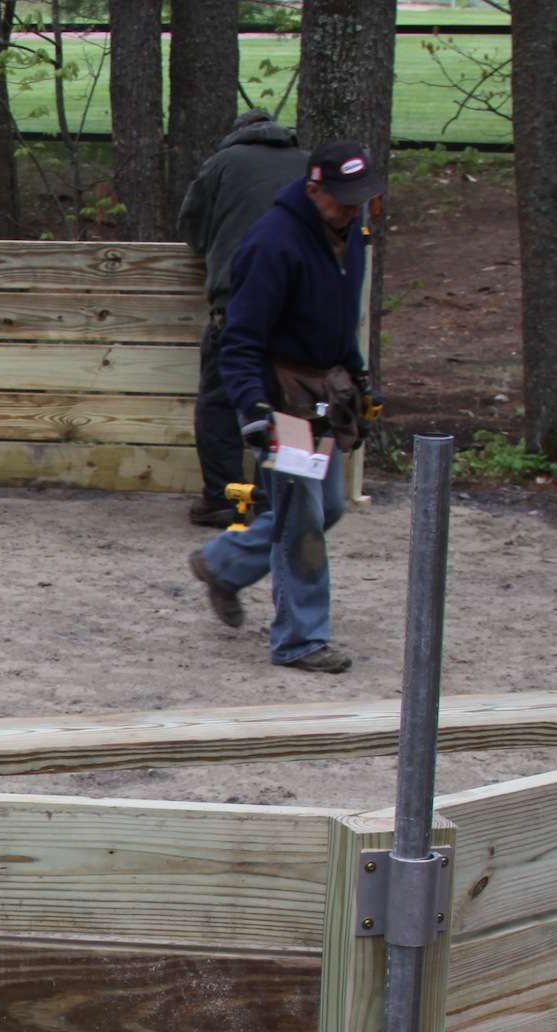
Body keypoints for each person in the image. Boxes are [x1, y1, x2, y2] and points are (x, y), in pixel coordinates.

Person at [186, 141, 384, 676]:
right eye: (343, 198)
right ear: (314, 188)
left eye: (360, 198)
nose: (353, 208)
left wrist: (358, 376)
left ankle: (224, 564)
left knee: (330, 506)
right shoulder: (273, 242)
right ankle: (300, 640)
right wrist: (252, 407)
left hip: (323, 394)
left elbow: (341, 319)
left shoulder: (348, 236)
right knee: (303, 518)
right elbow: (240, 337)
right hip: (282, 399)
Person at [177, 110, 309, 527]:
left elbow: (193, 230)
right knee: (292, 404)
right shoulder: (308, 165)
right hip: (298, 308)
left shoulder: (221, 164)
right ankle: (285, 498)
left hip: (235, 304)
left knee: (220, 402)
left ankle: (223, 499)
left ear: (236, 135)